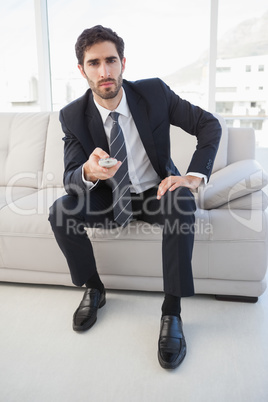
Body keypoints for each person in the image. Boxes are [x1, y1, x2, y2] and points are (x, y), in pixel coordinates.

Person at [49, 25, 221, 370]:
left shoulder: (153, 94)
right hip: (109, 198)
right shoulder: (72, 116)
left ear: (123, 62)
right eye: (94, 63)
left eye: (111, 60)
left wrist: (192, 176)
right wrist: (87, 173)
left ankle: (171, 311)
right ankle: (95, 289)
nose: (105, 71)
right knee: (60, 211)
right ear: (82, 70)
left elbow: (209, 125)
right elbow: (71, 177)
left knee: (181, 200)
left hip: (155, 192)